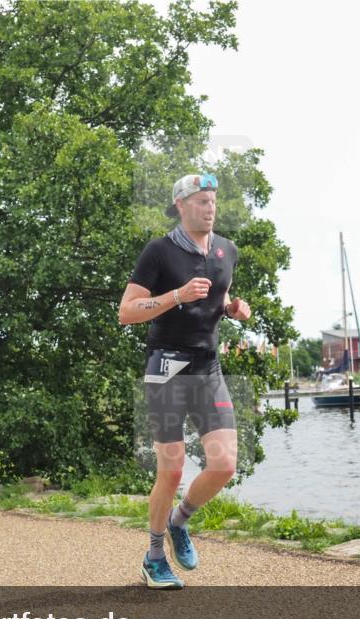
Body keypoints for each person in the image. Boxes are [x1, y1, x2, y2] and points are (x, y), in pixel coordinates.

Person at [118, 173, 251, 589]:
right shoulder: (158, 251)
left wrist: (232, 309)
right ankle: (154, 555)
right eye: (200, 202)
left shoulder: (227, 250)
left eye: (212, 201)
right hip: (167, 367)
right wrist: (177, 295)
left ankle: (179, 522)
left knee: (225, 464)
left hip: (207, 366)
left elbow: (219, 297)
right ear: (180, 206)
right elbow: (127, 311)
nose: (209, 208)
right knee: (171, 471)